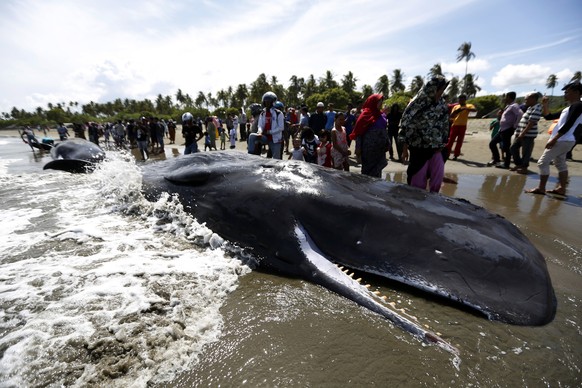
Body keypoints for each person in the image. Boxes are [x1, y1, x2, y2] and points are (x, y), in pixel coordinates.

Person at [526, 81, 582, 195]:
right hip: (565, 140)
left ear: (576, 93)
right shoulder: (569, 107)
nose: (564, 94)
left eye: (567, 92)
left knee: (542, 162)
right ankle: (561, 188)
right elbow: (549, 117)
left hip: (563, 139)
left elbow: (569, 124)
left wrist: (554, 139)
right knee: (560, 163)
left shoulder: (578, 106)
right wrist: (545, 105)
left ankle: (541, 188)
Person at [398, 76, 450, 192]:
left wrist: (443, 142)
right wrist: (405, 149)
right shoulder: (417, 103)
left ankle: (433, 203)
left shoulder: (441, 104)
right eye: (440, 90)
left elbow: (445, 125)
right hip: (419, 148)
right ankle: (414, 203)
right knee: (417, 180)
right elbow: (405, 126)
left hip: (437, 148)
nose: (441, 93)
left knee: (437, 177)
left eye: (442, 90)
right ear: (433, 89)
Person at [350, 94, 388, 178]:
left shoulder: (382, 115)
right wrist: (358, 148)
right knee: (368, 173)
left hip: (379, 149)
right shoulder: (364, 116)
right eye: (379, 102)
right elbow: (358, 133)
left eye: (381, 102)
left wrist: (387, 143)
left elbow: (385, 131)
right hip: (368, 150)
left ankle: (375, 190)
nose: (381, 103)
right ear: (373, 102)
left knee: (378, 172)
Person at [510, 92, 542, 174]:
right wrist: (518, 132)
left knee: (526, 152)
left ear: (533, 99)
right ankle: (519, 164)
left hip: (528, 134)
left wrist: (523, 133)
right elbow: (524, 121)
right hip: (521, 133)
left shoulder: (537, 108)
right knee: (513, 148)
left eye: (527, 99)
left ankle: (524, 168)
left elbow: (531, 123)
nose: (525, 101)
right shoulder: (530, 108)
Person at [490, 92, 522, 168]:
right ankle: (497, 160)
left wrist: (514, 126)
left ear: (509, 97)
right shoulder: (508, 106)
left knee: (506, 147)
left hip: (508, 129)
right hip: (502, 129)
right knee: (492, 143)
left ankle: (506, 164)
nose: (505, 98)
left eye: (506, 97)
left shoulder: (514, 106)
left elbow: (520, 114)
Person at [445, 95, 477, 160]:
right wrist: (458, 111)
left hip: (463, 126)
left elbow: (474, 110)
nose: (460, 101)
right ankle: (446, 154)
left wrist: (465, 108)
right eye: (459, 100)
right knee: (450, 141)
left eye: (462, 100)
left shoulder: (469, 105)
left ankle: (456, 155)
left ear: (465, 100)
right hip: (454, 125)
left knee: (459, 141)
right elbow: (451, 116)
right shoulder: (456, 106)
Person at [257, 91, 284, 159]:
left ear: (273, 102)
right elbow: (260, 125)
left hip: (275, 139)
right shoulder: (262, 113)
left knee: (276, 159)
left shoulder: (279, 113)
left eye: (269, 101)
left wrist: (269, 132)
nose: (267, 103)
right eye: (265, 101)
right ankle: (253, 156)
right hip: (265, 137)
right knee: (252, 137)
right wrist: (259, 131)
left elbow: (281, 128)